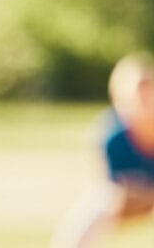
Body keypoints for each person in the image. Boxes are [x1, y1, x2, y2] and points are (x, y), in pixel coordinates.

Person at [53, 54, 154, 247]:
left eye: (148, 92)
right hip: (122, 203)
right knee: (93, 210)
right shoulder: (112, 136)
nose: (143, 101)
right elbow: (113, 191)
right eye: (136, 94)